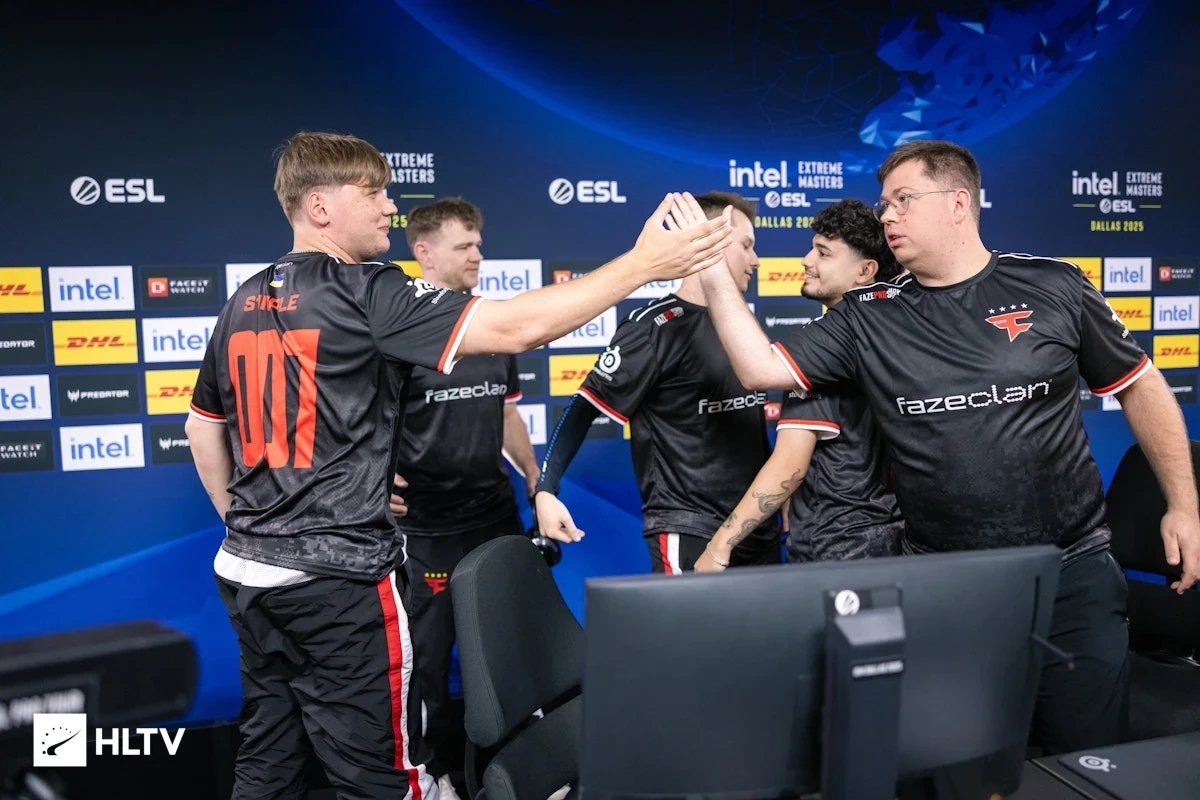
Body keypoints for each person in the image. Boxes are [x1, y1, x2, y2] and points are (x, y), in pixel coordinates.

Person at [185, 130, 732, 800]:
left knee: (268, 764)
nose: (390, 207)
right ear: (320, 206)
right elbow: (517, 328)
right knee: (387, 780)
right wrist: (643, 264)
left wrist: (258, 528)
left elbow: (202, 430)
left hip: (248, 574)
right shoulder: (363, 289)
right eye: (374, 193)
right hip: (339, 582)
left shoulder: (242, 299)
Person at [677, 140, 1200, 756]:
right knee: (962, 765)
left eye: (903, 200)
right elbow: (759, 369)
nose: (887, 216)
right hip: (949, 586)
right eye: (884, 204)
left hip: (1071, 573)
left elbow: (1140, 384)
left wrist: (1182, 504)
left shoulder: (1053, 284)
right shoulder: (867, 316)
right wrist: (713, 269)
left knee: (1088, 763)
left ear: (958, 202)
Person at [534, 191, 782, 573]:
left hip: (755, 527)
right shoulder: (653, 328)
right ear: (710, 238)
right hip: (691, 530)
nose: (756, 260)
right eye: (747, 245)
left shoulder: (743, 325)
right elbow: (583, 409)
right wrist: (546, 490)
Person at [387, 197, 540, 798]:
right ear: (423, 252)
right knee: (426, 664)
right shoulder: (397, 336)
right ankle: (433, 778)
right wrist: (375, 488)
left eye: (479, 243)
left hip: (495, 519)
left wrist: (534, 475)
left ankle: (525, 773)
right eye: (464, 246)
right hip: (425, 531)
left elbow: (507, 415)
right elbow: (357, 426)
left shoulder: (493, 327)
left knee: (511, 651)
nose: (478, 254)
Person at [694, 199, 905, 572]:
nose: (806, 260)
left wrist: (719, 547)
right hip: (893, 535)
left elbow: (790, 463)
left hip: (835, 544)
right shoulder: (897, 328)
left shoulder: (826, 346)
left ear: (865, 270)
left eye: (823, 253)